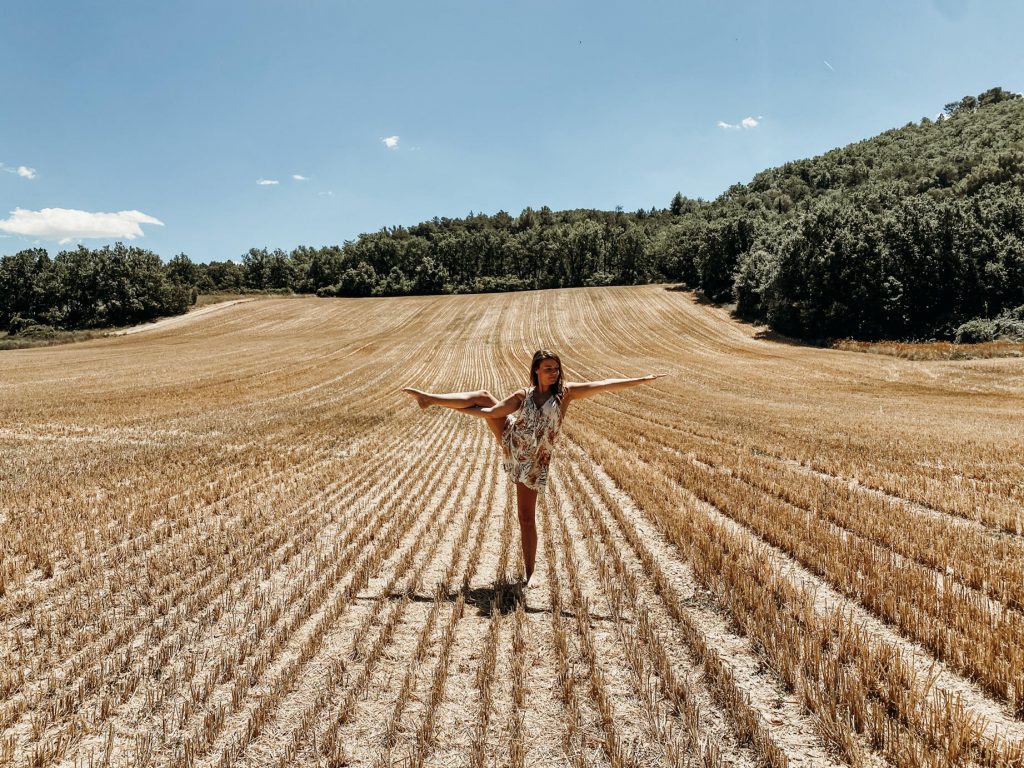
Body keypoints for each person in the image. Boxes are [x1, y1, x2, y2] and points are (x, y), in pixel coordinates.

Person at [402, 350, 666, 586]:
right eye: (548, 368)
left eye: (556, 368)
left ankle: (530, 574)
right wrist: (467, 410)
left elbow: (604, 385)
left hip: (534, 463)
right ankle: (429, 399)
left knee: (525, 517)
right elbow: (493, 411)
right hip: (512, 441)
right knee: (482, 395)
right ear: (537, 370)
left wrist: (641, 380)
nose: (554, 373)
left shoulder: (566, 394)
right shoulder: (523, 395)